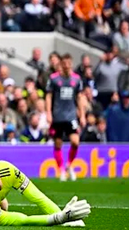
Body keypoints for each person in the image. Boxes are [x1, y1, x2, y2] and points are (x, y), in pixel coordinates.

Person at [45, 54, 86, 182]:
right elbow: (49, 96)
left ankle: (68, 164)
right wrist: (48, 113)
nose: (67, 65)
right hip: (57, 116)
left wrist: (82, 114)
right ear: (61, 64)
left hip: (71, 116)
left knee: (75, 142)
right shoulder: (54, 79)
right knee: (58, 144)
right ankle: (61, 170)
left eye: (69, 63)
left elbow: (79, 97)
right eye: (65, 63)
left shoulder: (77, 80)